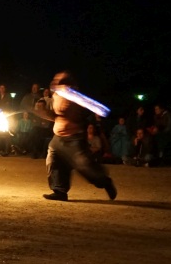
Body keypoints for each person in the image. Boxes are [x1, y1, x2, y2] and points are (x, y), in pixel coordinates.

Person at [35, 71, 117, 201]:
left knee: (84, 166)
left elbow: (83, 113)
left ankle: (104, 181)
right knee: (53, 161)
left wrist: (72, 98)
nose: (54, 83)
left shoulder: (75, 98)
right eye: (54, 81)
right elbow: (56, 116)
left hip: (74, 138)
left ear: (68, 84)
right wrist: (43, 112)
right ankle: (60, 191)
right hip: (58, 137)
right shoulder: (56, 95)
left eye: (59, 82)